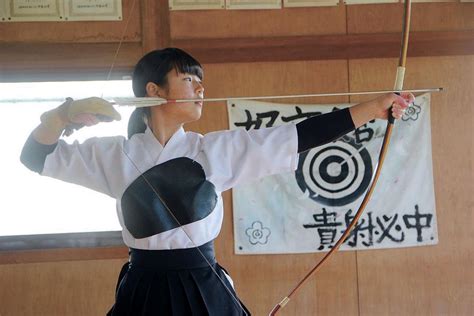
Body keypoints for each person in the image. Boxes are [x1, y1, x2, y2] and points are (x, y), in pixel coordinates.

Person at [20, 47, 413, 316]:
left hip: (202, 283)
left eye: (201, 83)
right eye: (190, 80)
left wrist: (371, 109)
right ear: (153, 92)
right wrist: (62, 116)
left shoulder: (215, 151)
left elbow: (298, 136)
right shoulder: (112, 154)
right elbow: (35, 157)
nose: (201, 90)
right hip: (144, 285)